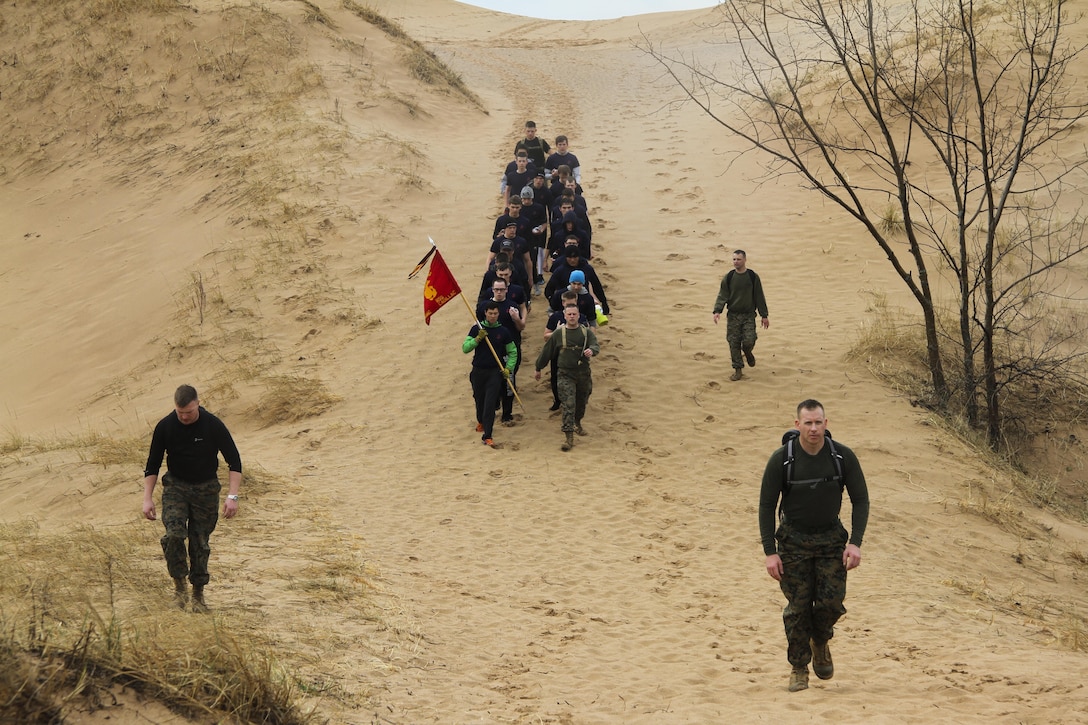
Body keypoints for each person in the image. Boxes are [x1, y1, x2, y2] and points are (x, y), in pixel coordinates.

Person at [759, 399, 870, 693]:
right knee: (797, 608)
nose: (813, 429)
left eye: (818, 422)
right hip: (793, 541)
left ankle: (820, 640)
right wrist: (770, 551)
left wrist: (855, 543)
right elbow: (766, 505)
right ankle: (799, 668)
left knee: (831, 603)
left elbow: (861, 499)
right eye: (807, 423)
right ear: (798, 425)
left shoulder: (842, 457)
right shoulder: (782, 459)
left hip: (831, 540)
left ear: (826, 423)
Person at [142, 384, 242, 612]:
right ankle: (179, 588)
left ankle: (198, 595)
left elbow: (234, 462)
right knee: (175, 535)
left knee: (199, 543)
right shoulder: (166, 426)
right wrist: (147, 498)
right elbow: (152, 464)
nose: (185, 417)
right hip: (176, 487)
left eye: (189, 412)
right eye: (180, 413)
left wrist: (232, 496)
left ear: (198, 403)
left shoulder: (213, 425)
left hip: (206, 490)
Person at [534, 305, 599, 451]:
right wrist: (538, 368)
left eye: (574, 314)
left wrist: (592, 350)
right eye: (569, 314)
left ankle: (577, 421)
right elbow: (547, 352)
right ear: (564, 316)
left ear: (578, 315)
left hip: (583, 373)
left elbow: (595, 345)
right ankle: (568, 437)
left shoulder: (586, 332)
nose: (571, 316)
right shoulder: (558, 334)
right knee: (568, 403)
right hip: (565, 374)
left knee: (582, 400)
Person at [463, 301, 518, 447]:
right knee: (479, 399)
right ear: (485, 313)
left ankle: (488, 435)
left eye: (495, 313)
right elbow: (465, 348)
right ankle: (480, 421)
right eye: (490, 313)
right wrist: (477, 339)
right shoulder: (477, 329)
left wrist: (508, 369)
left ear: (498, 314)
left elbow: (513, 352)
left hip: (495, 372)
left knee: (490, 404)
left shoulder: (503, 332)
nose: (493, 316)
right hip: (478, 371)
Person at [712, 249, 769, 381]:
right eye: (734, 259)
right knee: (733, 342)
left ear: (744, 260)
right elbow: (722, 295)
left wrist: (764, 315)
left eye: (738, 259)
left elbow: (759, 296)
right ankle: (738, 370)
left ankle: (748, 352)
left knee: (749, 340)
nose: (736, 262)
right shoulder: (729, 277)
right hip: (733, 315)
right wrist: (717, 311)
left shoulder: (752, 276)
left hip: (748, 315)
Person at [477, 278, 527, 426]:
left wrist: (516, 318)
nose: (499, 292)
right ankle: (493, 407)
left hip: (509, 349)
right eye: (496, 290)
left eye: (501, 289)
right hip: (490, 351)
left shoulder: (512, 306)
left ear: (506, 290)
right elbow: (478, 325)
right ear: (492, 290)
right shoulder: (484, 307)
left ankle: (507, 414)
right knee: (491, 383)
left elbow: (520, 327)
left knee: (509, 382)